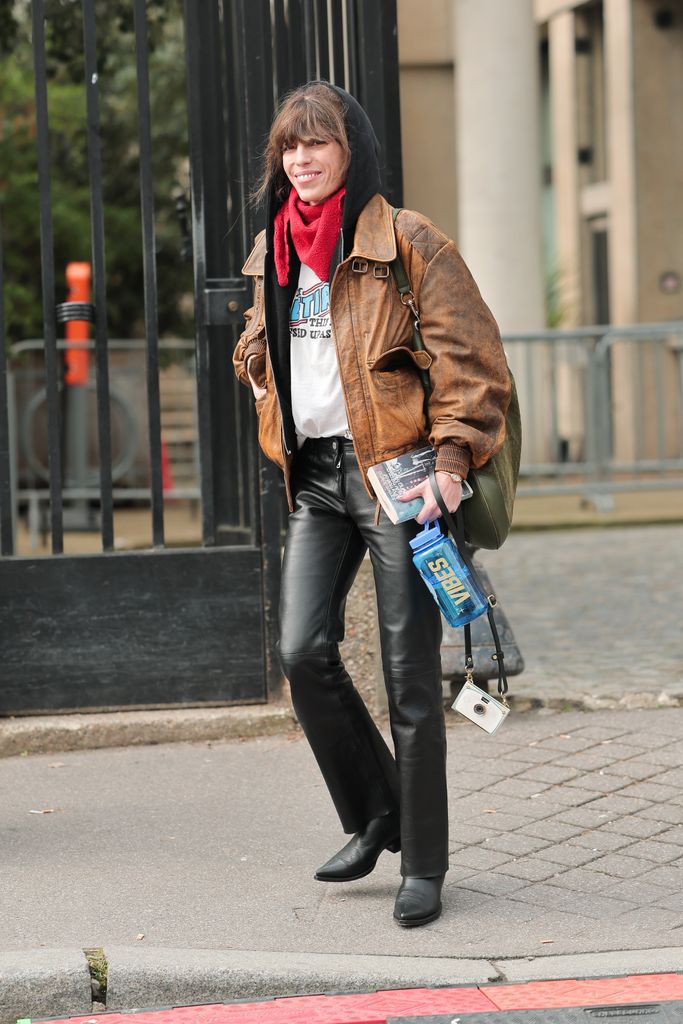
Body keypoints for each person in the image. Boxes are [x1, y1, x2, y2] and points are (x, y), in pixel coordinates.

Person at [233, 81, 511, 927]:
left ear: (351, 152)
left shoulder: (406, 241)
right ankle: (378, 813)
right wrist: (255, 360)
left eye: (319, 143)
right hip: (316, 477)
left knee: (407, 680)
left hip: (400, 477)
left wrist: (454, 463)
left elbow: (473, 362)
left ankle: (422, 865)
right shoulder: (273, 247)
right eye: (290, 146)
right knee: (301, 649)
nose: (302, 159)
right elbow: (260, 339)